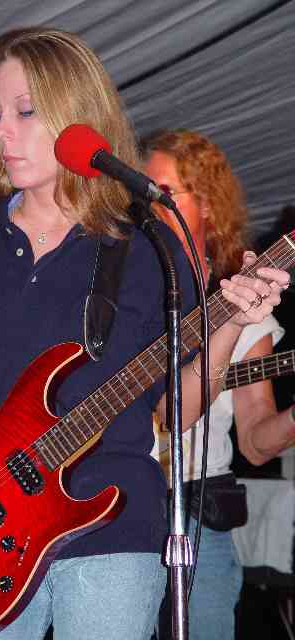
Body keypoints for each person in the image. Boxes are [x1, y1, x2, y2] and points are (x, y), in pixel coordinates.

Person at [0, 29, 289, 640]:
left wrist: (230, 326)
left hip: (113, 522)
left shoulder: (148, 247)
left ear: (79, 115)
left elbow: (178, 409)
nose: (2, 133)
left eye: (25, 112)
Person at [143, 128, 295, 640]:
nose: (148, 204)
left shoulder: (246, 302)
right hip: (114, 507)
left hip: (198, 516)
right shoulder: (121, 289)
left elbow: (255, 442)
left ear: (207, 203)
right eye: (143, 190)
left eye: (164, 192)